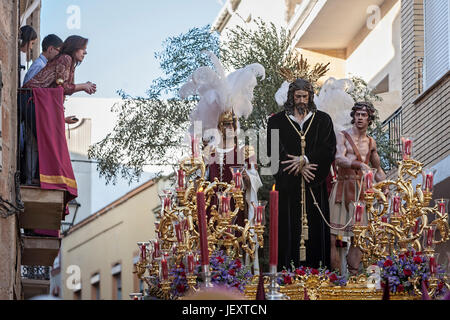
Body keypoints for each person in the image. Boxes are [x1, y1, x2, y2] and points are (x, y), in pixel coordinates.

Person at [267, 78, 336, 270]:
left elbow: (329, 149)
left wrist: (305, 161)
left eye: (305, 96)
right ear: (291, 97)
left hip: (314, 188)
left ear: (310, 97)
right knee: (288, 234)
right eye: (297, 97)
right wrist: (295, 168)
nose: (301, 101)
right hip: (288, 190)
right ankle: (288, 276)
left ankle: (318, 276)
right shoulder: (275, 122)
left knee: (316, 235)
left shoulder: (323, 120)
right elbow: (273, 156)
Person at [329, 101, 386, 275]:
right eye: (357, 114)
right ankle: (336, 279)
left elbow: (378, 170)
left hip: (361, 191)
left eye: (364, 115)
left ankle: (353, 278)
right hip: (342, 188)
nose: (360, 118)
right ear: (353, 116)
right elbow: (339, 158)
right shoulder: (342, 136)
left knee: (358, 237)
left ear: (369, 119)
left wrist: (385, 187)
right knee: (332, 237)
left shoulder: (371, 142)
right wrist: (359, 165)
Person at [23, 35, 96, 96]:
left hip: (35, 99)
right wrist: (83, 86)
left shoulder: (70, 63)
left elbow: (66, 89)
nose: (85, 52)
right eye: (83, 48)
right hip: (31, 99)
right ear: (74, 47)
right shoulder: (65, 58)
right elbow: (64, 88)